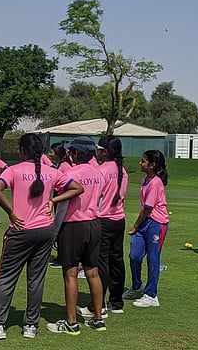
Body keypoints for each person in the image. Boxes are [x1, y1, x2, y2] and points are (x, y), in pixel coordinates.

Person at [0, 133, 83, 340]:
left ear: (22, 151)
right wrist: (53, 201)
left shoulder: (13, 170)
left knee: (6, 278)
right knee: (36, 279)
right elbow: (77, 188)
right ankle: (31, 326)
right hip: (45, 231)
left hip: (20, 230)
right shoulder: (52, 172)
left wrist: (11, 212)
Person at [46, 136, 106, 336]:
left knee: (70, 274)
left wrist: (55, 232)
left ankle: (71, 323)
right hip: (94, 224)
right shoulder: (98, 174)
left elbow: (63, 206)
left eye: (71, 151)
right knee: (93, 272)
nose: (69, 154)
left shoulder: (71, 174)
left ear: (76, 153)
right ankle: (98, 319)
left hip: (74, 226)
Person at [77, 135, 128, 319]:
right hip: (119, 219)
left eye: (100, 149)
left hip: (104, 219)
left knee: (102, 262)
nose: (98, 152)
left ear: (106, 152)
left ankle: (98, 305)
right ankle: (116, 301)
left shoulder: (102, 170)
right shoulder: (123, 170)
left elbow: (96, 195)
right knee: (117, 260)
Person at [122, 150, 169, 308]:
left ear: (152, 165)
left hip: (156, 223)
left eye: (143, 161)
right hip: (145, 222)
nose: (140, 163)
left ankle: (151, 295)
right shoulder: (145, 179)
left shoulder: (156, 182)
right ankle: (137, 287)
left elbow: (148, 208)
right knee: (134, 255)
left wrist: (135, 226)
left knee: (153, 259)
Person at [48, 141, 73, 269]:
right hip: (59, 198)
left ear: (57, 153)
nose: (49, 154)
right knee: (58, 227)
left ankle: (62, 257)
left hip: (63, 200)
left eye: (51, 152)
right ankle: (60, 255)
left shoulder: (64, 166)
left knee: (61, 228)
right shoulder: (59, 165)